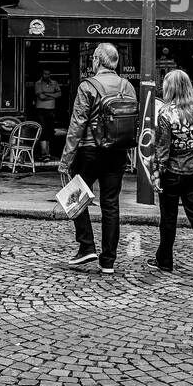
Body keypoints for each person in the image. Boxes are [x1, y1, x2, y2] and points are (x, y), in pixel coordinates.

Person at [58, 43, 138, 273]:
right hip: (118, 152)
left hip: (90, 151)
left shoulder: (88, 86)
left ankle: (86, 246)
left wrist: (66, 160)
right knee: (111, 204)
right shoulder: (128, 86)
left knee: (75, 194)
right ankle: (108, 260)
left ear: (96, 60)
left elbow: (77, 125)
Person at [146, 69, 193, 279]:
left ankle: (165, 261)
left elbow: (162, 150)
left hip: (173, 171)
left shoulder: (166, 114)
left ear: (169, 88)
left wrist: (156, 175)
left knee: (168, 218)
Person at [33, 70, 62, 161]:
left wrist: (47, 94)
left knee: (50, 130)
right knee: (43, 130)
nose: (47, 75)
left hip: (51, 110)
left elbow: (59, 94)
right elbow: (41, 97)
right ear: (42, 74)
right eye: (45, 74)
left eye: (49, 74)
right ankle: (44, 154)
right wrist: (53, 95)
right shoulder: (38, 83)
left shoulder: (54, 83)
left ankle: (48, 153)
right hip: (41, 110)